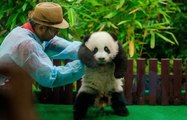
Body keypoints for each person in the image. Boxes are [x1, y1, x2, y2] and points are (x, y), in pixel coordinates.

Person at [0, 2, 84, 88]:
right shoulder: (27, 45)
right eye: (55, 31)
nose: (56, 34)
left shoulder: (26, 31)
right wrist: (84, 65)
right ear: (42, 27)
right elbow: (51, 77)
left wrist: (86, 50)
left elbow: (55, 44)